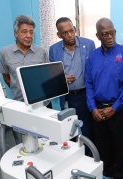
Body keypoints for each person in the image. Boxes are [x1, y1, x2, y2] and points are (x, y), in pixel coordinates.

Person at [85, 18, 123, 179]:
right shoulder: (93, 57)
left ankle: (120, 178)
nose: (110, 37)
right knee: (103, 144)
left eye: (112, 32)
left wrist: (114, 108)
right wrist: (92, 109)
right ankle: (108, 172)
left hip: (117, 109)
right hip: (97, 109)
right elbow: (89, 84)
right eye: (105, 34)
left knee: (121, 146)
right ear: (98, 36)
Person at [0, 15, 49, 144]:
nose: (28, 35)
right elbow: (6, 76)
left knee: (44, 140)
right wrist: (20, 90)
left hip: (41, 105)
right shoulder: (5, 52)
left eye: (31, 32)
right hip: (19, 105)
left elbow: (46, 76)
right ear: (15, 33)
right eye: (24, 31)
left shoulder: (42, 52)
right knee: (22, 142)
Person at [49, 17, 95, 156]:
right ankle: (71, 157)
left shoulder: (89, 44)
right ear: (59, 35)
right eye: (65, 33)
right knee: (68, 130)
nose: (69, 35)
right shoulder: (54, 50)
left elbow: (94, 69)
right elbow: (52, 75)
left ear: (75, 29)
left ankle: (88, 158)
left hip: (84, 94)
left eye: (71, 31)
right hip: (66, 96)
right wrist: (62, 79)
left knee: (86, 129)